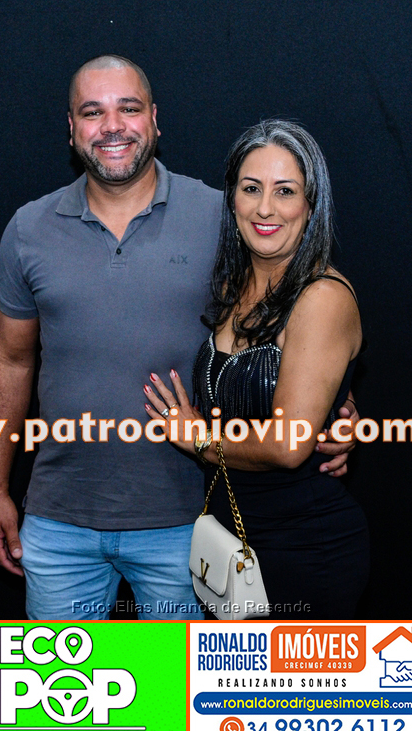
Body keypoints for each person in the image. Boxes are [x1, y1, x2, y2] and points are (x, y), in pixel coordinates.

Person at [0, 57, 356, 619]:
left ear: (155, 119)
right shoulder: (28, 229)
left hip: (190, 522)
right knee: (59, 677)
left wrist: (333, 403)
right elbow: (10, 361)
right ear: (71, 127)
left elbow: (289, 318)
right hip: (59, 522)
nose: (113, 125)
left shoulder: (223, 216)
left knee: (179, 678)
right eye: (93, 112)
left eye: (129, 108)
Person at [143, 119, 369, 619]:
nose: (265, 208)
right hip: (230, 547)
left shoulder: (322, 298)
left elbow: (289, 446)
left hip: (305, 549)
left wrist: (198, 439)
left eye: (285, 191)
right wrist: (342, 405)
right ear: (232, 199)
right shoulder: (233, 287)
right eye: (251, 188)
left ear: (311, 205)